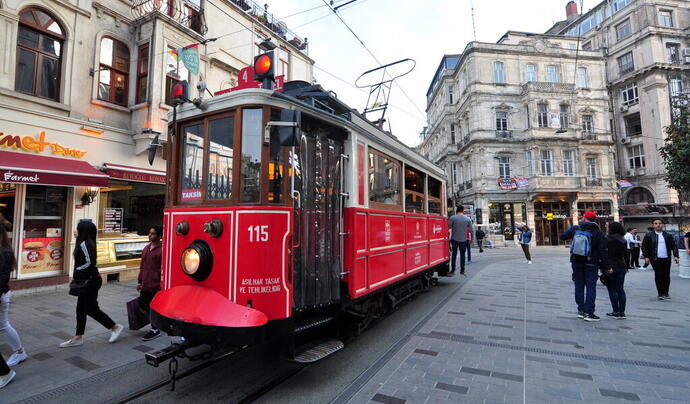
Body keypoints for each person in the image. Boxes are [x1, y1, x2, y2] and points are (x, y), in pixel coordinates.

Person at [60, 220, 123, 347]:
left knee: (90, 308)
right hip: (89, 280)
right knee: (81, 309)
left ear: (83, 231)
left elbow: (90, 262)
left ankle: (115, 327)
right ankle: (78, 337)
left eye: (77, 229)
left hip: (91, 281)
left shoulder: (84, 244)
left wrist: (78, 270)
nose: (74, 231)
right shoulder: (84, 243)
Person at [561, 211, 609, 322]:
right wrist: (606, 266)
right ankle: (589, 312)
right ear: (594, 220)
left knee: (579, 286)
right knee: (591, 287)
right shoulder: (599, 232)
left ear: (584, 218)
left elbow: (563, 236)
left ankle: (581, 311)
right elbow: (603, 251)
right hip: (591, 263)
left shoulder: (576, 229)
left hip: (576, 262)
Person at [0, 224, 27, 366]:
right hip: (3, 293)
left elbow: (3, 277)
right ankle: (19, 352)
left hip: (1, 294)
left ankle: (19, 352)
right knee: (3, 325)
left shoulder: (5, 252)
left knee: (3, 325)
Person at [641, 218, 679, 300]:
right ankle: (660, 293)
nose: (658, 225)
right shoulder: (649, 235)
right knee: (659, 274)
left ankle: (666, 293)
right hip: (655, 259)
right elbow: (644, 246)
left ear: (663, 225)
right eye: (656, 223)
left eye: (660, 223)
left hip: (666, 258)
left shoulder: (667, 235)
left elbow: (674, 246)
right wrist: (646, 256)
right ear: (653, 225)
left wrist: (676, 256)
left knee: (666, 276)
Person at [138, 225, 163, 341]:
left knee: (153, 306)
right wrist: (140, 281)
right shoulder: (146, 248)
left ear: (159, 236)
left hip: (155, 284)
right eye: (149, 233)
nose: (150, 235)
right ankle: (156, 323)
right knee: (142, 303)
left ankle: (155, 329)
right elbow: (142, 266)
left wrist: (161, 283)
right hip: (146, 283)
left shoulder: (162, 250)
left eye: (153, 233)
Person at [605, 222, 628, 319]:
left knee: (612, 289)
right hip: (621, 266)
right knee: (620, 289)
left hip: (610, 266)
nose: (606, 228)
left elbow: (605, 253)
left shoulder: (607, 239)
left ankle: (615, 311)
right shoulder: (623, 239)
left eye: (607, 226)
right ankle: (622, 312)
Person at [448, 205, 471, 276]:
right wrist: (472, 239)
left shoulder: (452, 218)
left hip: (454, 238)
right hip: (463, 239)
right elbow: (471, 230)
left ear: (457, 210)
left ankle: (453, 270)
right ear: (463, 211)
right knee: (462, 255)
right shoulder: (467, 219)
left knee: (454, 254)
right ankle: (462, 270)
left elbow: (448, 227)